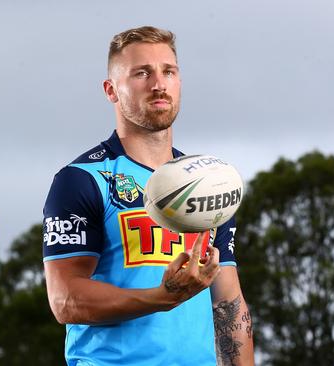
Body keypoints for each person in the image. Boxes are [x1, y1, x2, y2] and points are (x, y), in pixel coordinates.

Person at [43, 26, 254, 366]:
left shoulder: (210, 183)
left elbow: (228, 304)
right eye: (142, 73)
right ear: (111, 90)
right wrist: (161, 297)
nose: (158, 84)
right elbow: (65, 300)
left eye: (168, 71)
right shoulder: (81, 180)